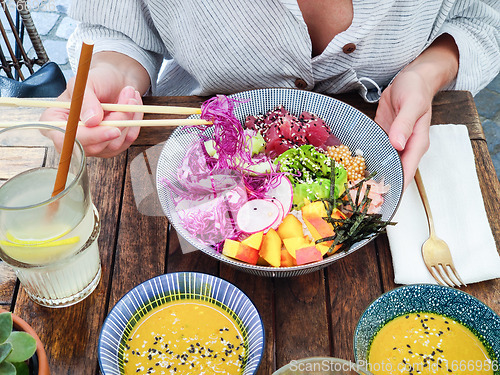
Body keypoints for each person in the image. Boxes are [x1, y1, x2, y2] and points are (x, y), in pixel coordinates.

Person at [41, 0, 500, 188]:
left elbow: (484, 16)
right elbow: (117, 29)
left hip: (398, 158)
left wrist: (427, 71)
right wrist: (109, 76)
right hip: (193, 162)